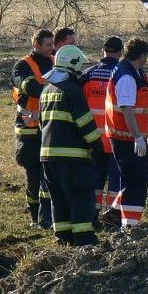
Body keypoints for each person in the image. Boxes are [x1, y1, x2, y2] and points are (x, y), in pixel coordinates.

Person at [40, 45, 105, 246]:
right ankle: (84, 238)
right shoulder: (73, 91)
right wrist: (98, 146)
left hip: (48, 156)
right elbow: (85, 123)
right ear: (72, 66)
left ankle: (63, 236)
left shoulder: (47, 90)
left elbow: (43, 123)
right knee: (79, 196)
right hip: (72, 157)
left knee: (58, 198)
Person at [104, 37, 148, 228]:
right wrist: (137, 138)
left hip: (129, 137)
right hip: (127, 138)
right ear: (142, 55)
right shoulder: (127, 76)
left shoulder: (130, 71)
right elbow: (127, 109)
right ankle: (130, 225)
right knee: (137, 180)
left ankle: (116, 211)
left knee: (141, 176)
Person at [11, 29, 55, 228]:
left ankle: (46, 214)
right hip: (29, 130)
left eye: (52, 44)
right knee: (33, 175)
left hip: (48, 127)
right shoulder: (23, 65)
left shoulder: (54, 61)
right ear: (36, 44)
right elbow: (27, 85)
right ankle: (34, 216)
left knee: (48, 173)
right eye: (47, 45)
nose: (51, 48)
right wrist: (52, 89)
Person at [81, 36, 123, 225]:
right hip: (116, 138)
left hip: (93, 139)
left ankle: (92, 214)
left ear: (103, 51)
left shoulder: (88, 75)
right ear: (120, 52)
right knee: (116, 181)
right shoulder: (122, 74)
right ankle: (112, 216)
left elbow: (80, 106)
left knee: (94, 180)